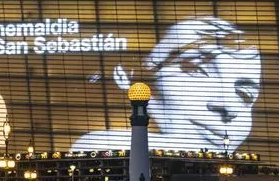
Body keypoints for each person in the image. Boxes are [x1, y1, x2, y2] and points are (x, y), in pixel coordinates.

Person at [72, 17, 262, 153]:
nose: (229, 106)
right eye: (197, 70)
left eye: (245, 94)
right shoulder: (97, 145)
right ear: (127, 77)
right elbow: (94, 144)